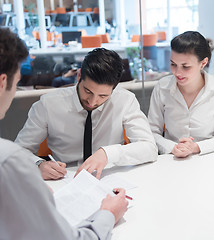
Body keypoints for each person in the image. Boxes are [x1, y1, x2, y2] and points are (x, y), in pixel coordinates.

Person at [0, 27, 128, 240]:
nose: (93, 101)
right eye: (17, 82)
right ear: (3, 82)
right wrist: (108, 214)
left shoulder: (125, 100)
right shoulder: (9, 161)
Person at [15, 48, 158, 180]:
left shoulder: (125, 100)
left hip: (109, 176)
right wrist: (38, 164)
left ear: (114, 89)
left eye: (103, 96)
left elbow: (149, 148)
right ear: (78, 76)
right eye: (88, 91)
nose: (93, 101)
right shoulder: (48, 105)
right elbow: (19, 151)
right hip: (65, 177)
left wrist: (108, 154)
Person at [148, 31, 214, 158]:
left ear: (203, 63)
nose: (177, 72)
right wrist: (172, 147)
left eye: (186, 66)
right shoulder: (162, 87)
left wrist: (197, 147)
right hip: (171, 160)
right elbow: (151, 132)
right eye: (173, 64)